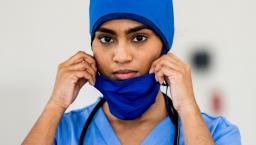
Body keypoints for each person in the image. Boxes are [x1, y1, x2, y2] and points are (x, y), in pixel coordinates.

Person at [22, 0, 241, 145]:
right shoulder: (62, 132)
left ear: (163, 48)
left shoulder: (217, 134)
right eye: (106, 39)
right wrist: (55, 104)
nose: (121, 56)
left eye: (138, 38)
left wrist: (187, 107)